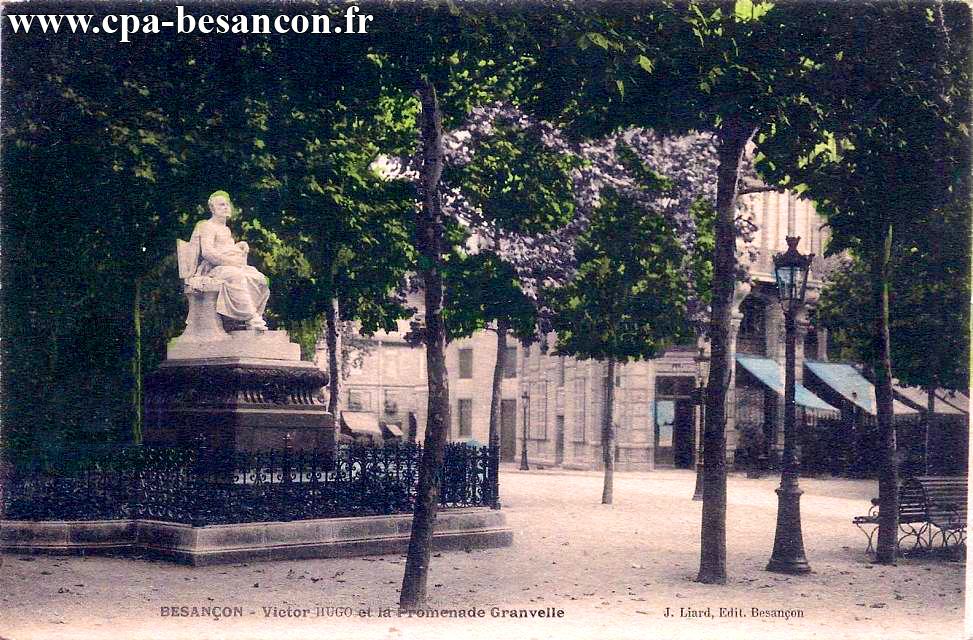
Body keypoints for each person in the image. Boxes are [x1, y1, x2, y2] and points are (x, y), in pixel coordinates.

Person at [187, 191, 270, 331]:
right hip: (213, 269)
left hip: (228, 267)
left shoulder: (225, 229)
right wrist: (232, 262)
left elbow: (225, 249)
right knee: (236, 276)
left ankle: (252, 320)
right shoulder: (208, 226)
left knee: (261, 279)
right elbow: (208, 252)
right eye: (221, 205)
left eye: (227, 204)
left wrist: (239, 246)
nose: (225, 207)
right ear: (212, 209)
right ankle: (251, 316)